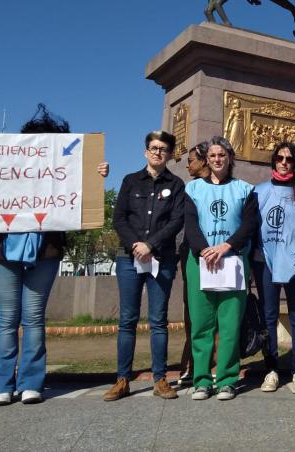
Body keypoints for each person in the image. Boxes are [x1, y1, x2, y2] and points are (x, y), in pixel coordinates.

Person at [0, 104, 109, 406]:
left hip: (46, 249)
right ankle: (1, 383)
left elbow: (82, 197)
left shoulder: (63, 169)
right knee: (6, 319)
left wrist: (96, 174)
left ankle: (31, 382)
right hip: (2, 249)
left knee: (33, 318)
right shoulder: (2, 164)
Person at [104, 130, 185, 402]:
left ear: (170, 154)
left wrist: (150, 244)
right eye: (153, 147)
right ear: (145, 151)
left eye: (163, 148)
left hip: (161, 260)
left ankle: (160, 379)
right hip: (129, 259)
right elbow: (119, 218)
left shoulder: (176, 185)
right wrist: (135, 245)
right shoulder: (130, 181)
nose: (157, 152)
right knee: (127, 321)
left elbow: (176, 221)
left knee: (158, 321)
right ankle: (122, 379)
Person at [184, 136, 258, 401]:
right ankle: (202, 379)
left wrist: (226, 246)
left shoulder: (245, 189)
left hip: (233, 260)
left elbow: (249, 225)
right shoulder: (192, 189)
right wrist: (205, 249)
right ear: (207, 160)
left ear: (230, 158)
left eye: (222, 155)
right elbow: (190, 224)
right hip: (201, 261)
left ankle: (227, 379)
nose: (217, 159)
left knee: (229, 323)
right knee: (202, 323)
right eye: (212, 155)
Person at [256, 142, 295, 394]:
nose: (284, 162)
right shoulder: (258, 192)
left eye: (290, 159)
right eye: (280, 158)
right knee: (269, 317)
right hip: (265, 261)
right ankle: (271, 369)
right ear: (273, 161)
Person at [177, 144, 210, 387]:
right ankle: (192, 363)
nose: (188, 165)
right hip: (193, 253)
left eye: (191, 161)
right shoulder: (190, 188)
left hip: (221, 254)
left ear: (204, 161)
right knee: (193, 311)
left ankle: (216, 363)